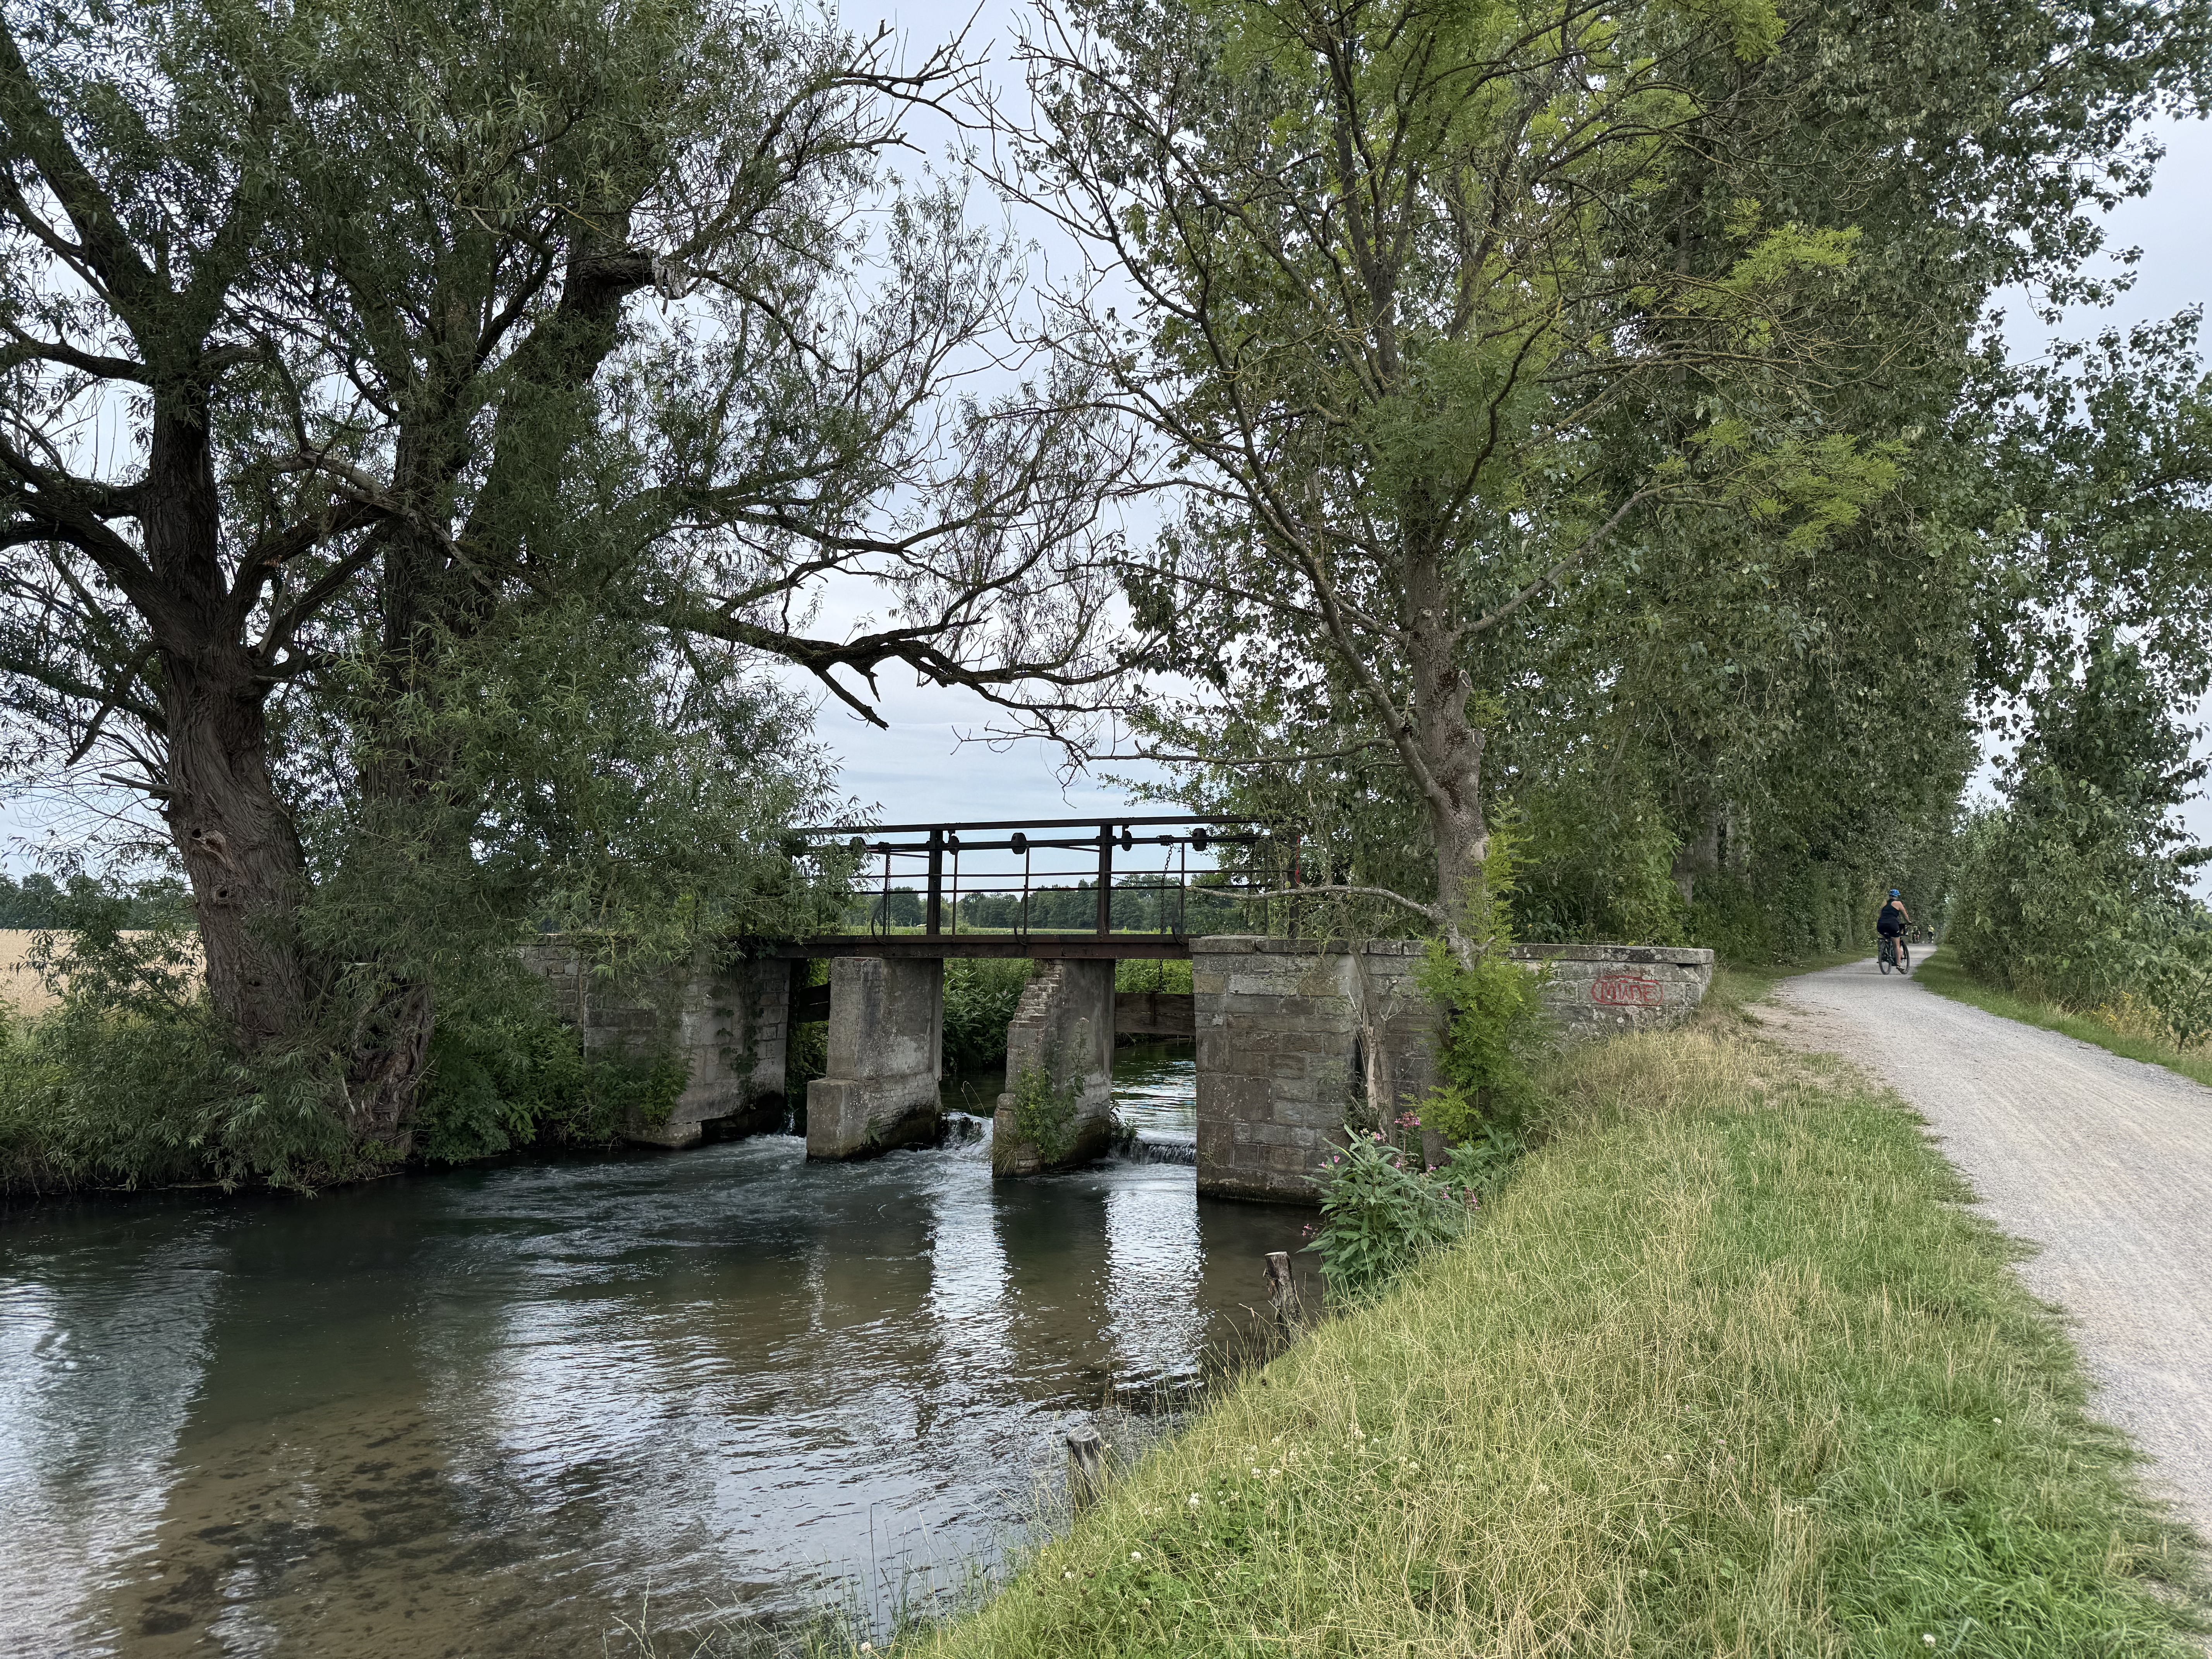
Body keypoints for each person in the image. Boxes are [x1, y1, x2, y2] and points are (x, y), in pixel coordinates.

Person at [1877, 890, 1912, 961]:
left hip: (1881, 925)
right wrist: (1909, 922)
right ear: (1897, 896)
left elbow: (1881, 915)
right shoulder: (1898, 903)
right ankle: (1898, 964)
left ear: (1890, 896)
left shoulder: (1884, 904)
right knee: (1896, 945)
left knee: (1885, 936)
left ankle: (1883, 952)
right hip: (1892, 925)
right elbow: (1905, 915)